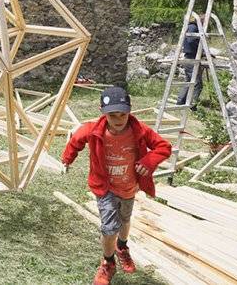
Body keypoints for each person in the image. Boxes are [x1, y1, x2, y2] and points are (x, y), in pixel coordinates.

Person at [62, 86, 172, 285]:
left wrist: (149, 161)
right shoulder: (92, 130)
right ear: (103, 113)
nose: (119, 119)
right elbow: (75, 141)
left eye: (123, 114)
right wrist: (67, 159)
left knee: (125, 220)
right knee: (109, 228)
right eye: (113, 115)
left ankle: (122, 247)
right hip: (105, 188)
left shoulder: (140, 130)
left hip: (129, 186)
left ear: (129, 110)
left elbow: (164, 146)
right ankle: (108, 262)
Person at [176, 18, 204, 108]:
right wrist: (200, 49)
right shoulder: (193, 27)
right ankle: (192, 104)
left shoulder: (189, 26)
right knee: (197, 83)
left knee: (188, 81)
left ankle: (180, 101)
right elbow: (191, 40)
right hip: (192, 58)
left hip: (188, 57)